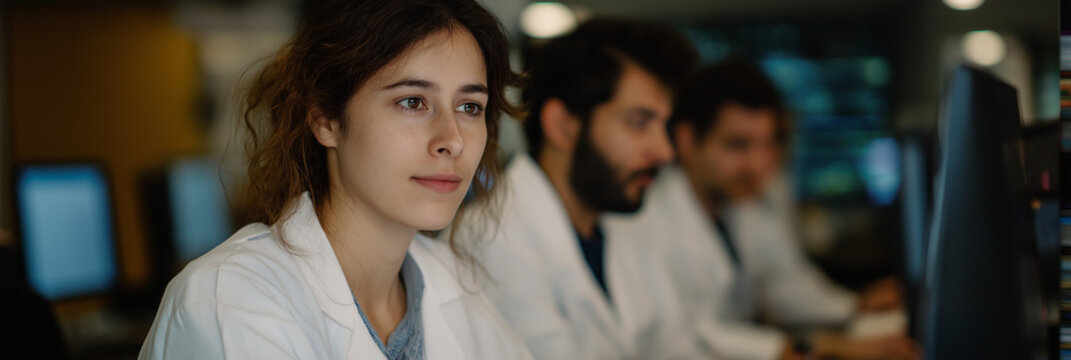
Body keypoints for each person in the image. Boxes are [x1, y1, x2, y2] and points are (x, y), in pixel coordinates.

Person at [139, 0, 532, 358]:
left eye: (469, 106)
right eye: (412, 102)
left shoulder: (454, 281)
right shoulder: (230, 301)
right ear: (326, 121)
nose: (452, 140)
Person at [604, 61, 918, 360]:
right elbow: (680, 332)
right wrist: (813, 345)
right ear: (687, 141)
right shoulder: (645, 218)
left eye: (768, 144)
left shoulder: (740, 206)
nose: (759, 165)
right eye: (737, 145)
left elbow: (784, 283)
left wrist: (854, 306)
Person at [442, 18, 700, 359]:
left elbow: (676, 343)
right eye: (639, 123)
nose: (665, 151)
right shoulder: (495, 239)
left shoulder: (621, 223)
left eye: (663, 125)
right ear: (562, 126)